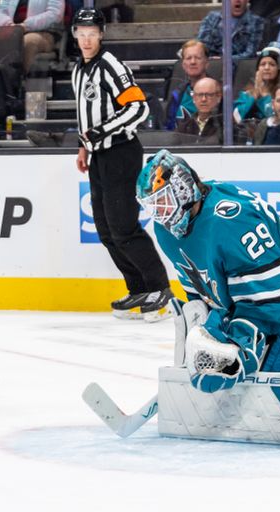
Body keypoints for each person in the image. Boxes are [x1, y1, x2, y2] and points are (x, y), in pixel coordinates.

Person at [135, 149, 280, 448]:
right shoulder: (165, 231)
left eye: (163, 202)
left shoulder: (230, 220)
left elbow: (275, 298)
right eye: (153, 206)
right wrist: (206, 331)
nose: (160, 214)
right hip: (257, 298)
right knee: (225, 372)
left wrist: (243, 344)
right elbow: (200, 286)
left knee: (262, 389)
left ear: (184, 189)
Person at [71, 8, 171, 321]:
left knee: (123, 225)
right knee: (106, 229)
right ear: (75, 34)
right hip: (99, 155)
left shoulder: (111, 65)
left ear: (101, 34)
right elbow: (85, 116)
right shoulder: (78, 69)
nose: (87, 40)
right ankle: (138, 287)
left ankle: (159, 289)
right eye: (81, 33)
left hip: (121, 152)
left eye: (92, 34)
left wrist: (100, 133)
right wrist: (84, 146)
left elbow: (138, 109)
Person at [0, 0, 65, 75]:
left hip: (44, 32)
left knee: (27, 42)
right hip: (13, 31)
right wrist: (8, 24)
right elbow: (0, 12)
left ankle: (17, 81)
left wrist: (26, 25)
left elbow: (55, 14)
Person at [164, 39, 210, 131]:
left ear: (206, 63)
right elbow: (168, 129)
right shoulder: (177, 95)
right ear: (183, 65)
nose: (193, 62)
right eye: (188, 58)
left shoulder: (216, 93)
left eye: (198, 58)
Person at [197, 0, 266, 60]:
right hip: (212, 65)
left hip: (241, 68)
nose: (237, 0)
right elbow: (202, 47)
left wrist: (224, 60)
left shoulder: (256, 22)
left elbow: (250, 54)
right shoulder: (211, 18)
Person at [233, 44, 280, 127]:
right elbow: (237, 118)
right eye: (263, 64)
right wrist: (256, 92)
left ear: (279, 69)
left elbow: (278, 122)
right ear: (257, 70)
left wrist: (264, 95)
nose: (266, 68)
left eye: (272, 64)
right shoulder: (246, 94)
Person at [175, 77, 223, 145]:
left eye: (209, 95)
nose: (203, 99)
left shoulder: (226, 127)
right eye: (199, 95)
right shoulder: (183, 127)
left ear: (218, 97)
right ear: (193, 98)